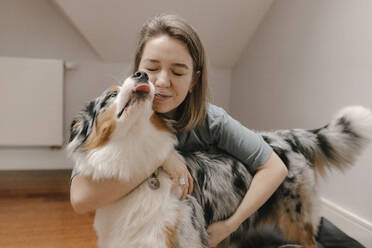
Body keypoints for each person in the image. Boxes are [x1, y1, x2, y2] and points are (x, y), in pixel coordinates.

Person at [70, 14, 288, 248]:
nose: (162, 81)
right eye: (152, 68)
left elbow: (274, 167)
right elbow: (80, 200)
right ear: (137, 71)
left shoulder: (212, 120)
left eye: (178, 72)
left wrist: (230, 225)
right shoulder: (119, 117)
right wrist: (159, 157)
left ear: (194, 80)